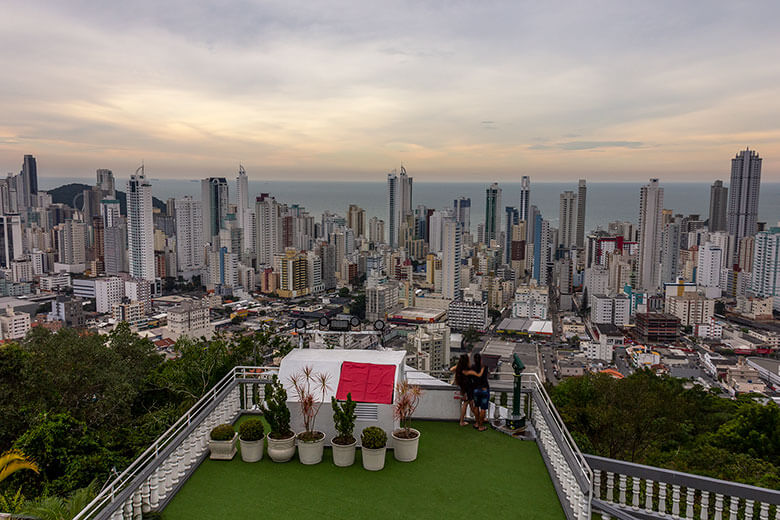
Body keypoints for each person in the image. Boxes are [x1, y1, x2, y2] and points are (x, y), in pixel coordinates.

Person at [464, 353, 489, 431]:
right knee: (483, 408)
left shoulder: (472, 368)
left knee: (476, 406)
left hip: (476, 390)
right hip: (484, 389)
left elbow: (469, 377)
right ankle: (481, 426)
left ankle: (477, 423)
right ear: (481, 359)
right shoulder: (484, 367)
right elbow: (486, 376)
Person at [450, 354, 472, 426]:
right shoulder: (468, 368)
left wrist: (458, 365)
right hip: (467, 387)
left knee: (468, 403)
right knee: (466, 404)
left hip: (462, 387)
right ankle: (462, 421)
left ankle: (477, 419)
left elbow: (451, 369)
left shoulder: (459, 367)